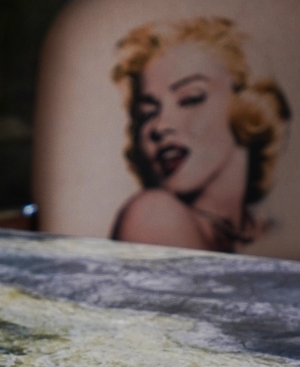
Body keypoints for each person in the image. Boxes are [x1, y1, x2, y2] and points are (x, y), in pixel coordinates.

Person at [110, 17, 290, 252]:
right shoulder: (152, 216)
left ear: (246, 105)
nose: (160, 126)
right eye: (147, 113)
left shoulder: (277, 231)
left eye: (190, 98)